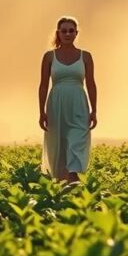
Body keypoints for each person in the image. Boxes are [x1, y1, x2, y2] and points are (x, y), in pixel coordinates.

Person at [38, 15, 97, 182]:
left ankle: (74, 180)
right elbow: (43, 85)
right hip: (57, 105)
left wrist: (94, 111)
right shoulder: (49, 57)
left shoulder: (86, 56)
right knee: (60, 146)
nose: (68, 34)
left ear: (76, 33)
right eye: (64, 31)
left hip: (79, 104)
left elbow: (91, 84)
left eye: (71, 31)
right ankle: (64, 188)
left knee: (77, 143)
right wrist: (41, 112)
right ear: (58, 33)